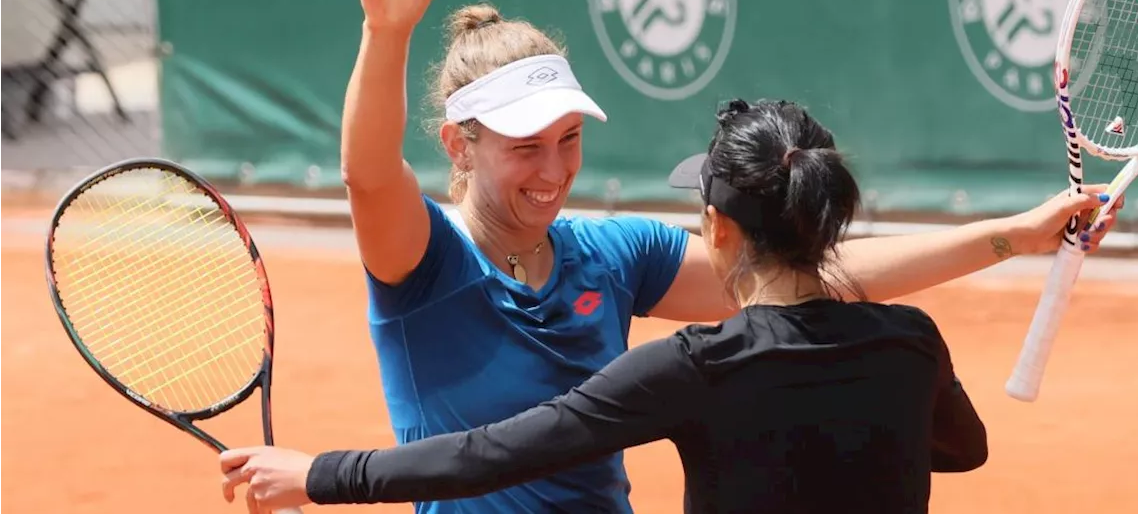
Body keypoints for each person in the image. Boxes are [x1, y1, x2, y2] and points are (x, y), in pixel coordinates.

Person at [242, 0, 1122, 514]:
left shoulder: (610, 255)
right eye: (524, 147)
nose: (553, 171)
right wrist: (385, 33)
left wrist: (1011, 235)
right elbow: (366, 174)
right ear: (457, 144)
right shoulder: (421, 258)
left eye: (568, 140)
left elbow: (806, 272)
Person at [219, 98, 989, 513]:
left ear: (717, 229)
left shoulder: (696, 368)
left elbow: (490, 455)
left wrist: (318, 473)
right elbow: (963, 450)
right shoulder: (911, 341)